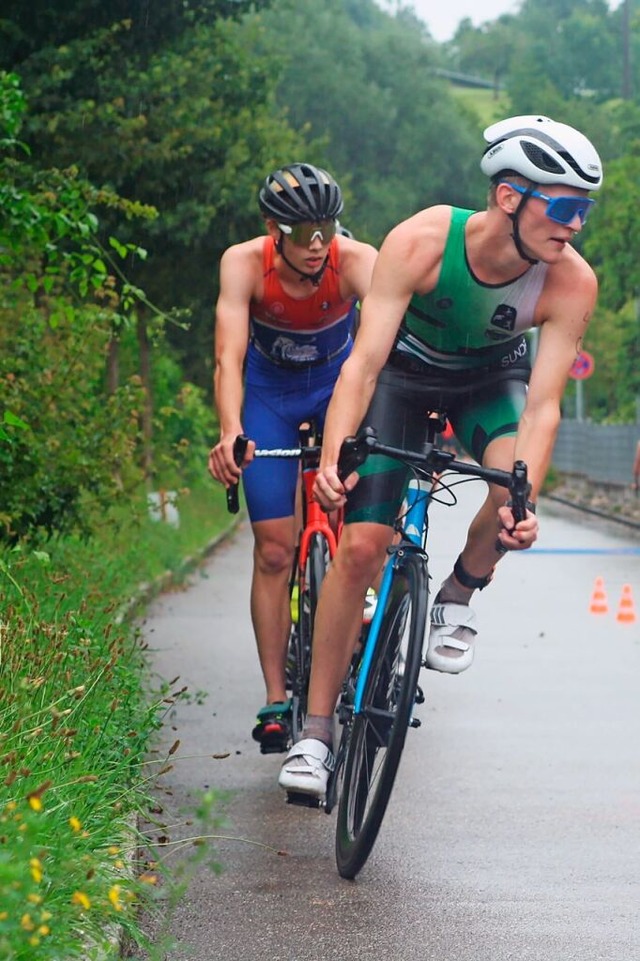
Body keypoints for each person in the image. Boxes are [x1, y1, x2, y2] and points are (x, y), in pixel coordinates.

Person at [277, 115, 603, 797]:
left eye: (585, 210)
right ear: (510, 196)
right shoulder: (424, 240)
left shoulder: (571, 281)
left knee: (513, 488)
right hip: (402, 378)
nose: (575, 226)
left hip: (489, 383)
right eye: (566, 206)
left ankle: (458, 593)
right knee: (362, 546)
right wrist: (337, 450)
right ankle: (314, 733)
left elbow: (542, 407)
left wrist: (525, 500)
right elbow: (363, 363)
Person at [208, 162, 377, 754]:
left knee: (367, 526)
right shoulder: (242, 264)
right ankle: (277, 695)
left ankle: (367, 605)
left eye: (326, 227)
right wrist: (231, 431)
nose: (316, 243)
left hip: (339, 390)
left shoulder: (357, 262)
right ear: (271, 228)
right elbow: (229, 358)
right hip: (271, 399)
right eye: (302, 230)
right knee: (276, 550)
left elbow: (384, 348)